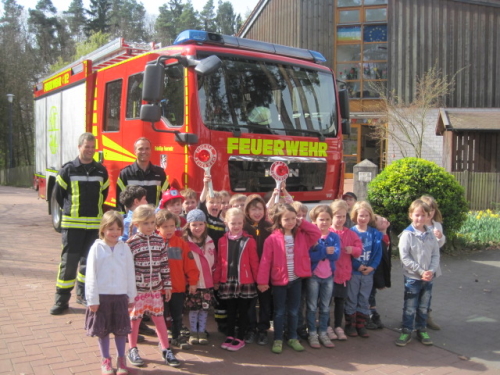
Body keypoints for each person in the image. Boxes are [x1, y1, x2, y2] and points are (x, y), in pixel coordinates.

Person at [50, 132, 110, 315]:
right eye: (87, 147)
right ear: (79, 147)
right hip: (73, 226)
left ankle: (82, 294)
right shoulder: (68, 170)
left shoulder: (101, 170)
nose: (90, 150)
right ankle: (61, 301)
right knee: (69, 263)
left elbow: (104, 196)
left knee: (88, 264)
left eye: (93, 147)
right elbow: (58, 196)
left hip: (93, 227)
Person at [257, 204, 321, 354]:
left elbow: (316, 233)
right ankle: (278, 338)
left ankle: (292, 337)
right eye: (287, 219)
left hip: (296, 280)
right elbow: (265, 261)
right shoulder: (272, 239)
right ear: (279, 220)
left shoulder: (301, 236)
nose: (291, 221)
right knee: (279, 312)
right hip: (279, 282)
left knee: (294, 311)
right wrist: (262, 281)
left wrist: (301, 222)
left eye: (293, 218)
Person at [126, 205, 179, 368]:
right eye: (145, 223)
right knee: (134, 320)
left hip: (155, 288)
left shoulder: (159, 241)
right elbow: (128, 269)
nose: (149, 226)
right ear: (136, 224)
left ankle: (166, 348)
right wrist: (129, 291)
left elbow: (164, 264)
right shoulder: (131, 244)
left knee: (159, 319)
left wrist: (167, 285)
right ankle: (132, 348)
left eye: (151, 223)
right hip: (138, 290)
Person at [84, 211, 136, 375]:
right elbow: (91, 275)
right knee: (103, 331)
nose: (115, 232)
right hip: (102, 298)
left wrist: (131, 295)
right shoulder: (96, 248)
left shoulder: (125, 248)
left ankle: (121, 359)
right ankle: (106, 360)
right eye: (111, 229)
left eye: (118, 229)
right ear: (103, 230)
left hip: (120, 296)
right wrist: (92, 298)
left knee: (121, 331)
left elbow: (130, 273)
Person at [395, 199, 440, 347]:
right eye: (417, 215)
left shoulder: (430, 235)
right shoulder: (407, 235)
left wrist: (431, 271)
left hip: (428, 278)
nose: (420, 218)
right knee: (410, 306)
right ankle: (406, 330)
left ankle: (421, 329)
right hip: (413, 278)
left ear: (428, 216)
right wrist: (421, 271)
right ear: (411, 215)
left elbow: (435, 254)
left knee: (423, 305)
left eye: (423, 215)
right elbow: (405, 257)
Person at [215, 208, 260, 352]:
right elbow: (219, 262)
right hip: (228, 280)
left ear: (243, 223)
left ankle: (240, 337)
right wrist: (216, 280)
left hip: (245, 281)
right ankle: (230, 335)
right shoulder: (222, 240)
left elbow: (254, 261)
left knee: (243, 310)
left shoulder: (249, 241)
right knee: (231, 310)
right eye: (233, 223)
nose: (236, 226)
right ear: (226, 222)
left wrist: (259, 280)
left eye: (239, 223)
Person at [156, 209, 199, 351]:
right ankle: (162, 339)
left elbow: (190, 264)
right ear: (158, 228)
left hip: (178, 288)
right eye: (165, 226)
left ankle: (176, 336)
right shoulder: (155, 243)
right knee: (160, 316)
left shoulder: (181, 243)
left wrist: (193, 282)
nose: (169, 229)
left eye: (172, 226)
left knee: (177, 315)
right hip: (159, 289)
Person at [345, 201, 382, 338]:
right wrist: (357, 265)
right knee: (352, 297)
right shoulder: (350, 232)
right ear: (355, 216)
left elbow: (378, 253)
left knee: (364, 298)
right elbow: (346, 253)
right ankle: (350, 324)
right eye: (361, 215)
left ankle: (361, 324)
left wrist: (372, 267)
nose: (363, 218)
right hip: (354, 272)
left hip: (368, 272)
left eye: (366, 215)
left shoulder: (374, 234)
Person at [306, 205, 340, 349]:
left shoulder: (334, 236)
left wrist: (321, 252)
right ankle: (312, 332)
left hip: (328, 277)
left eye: (327, 219)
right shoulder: (311, 237)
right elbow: (309, 257)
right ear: (314, 220)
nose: (324, 222)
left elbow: (336, 255)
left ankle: (323, 332)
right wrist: (325, 251)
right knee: (312, 306)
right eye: (321, 219)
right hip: (314, 276)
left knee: (325, 307)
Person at [329, 200, 363, 341]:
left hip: (343, 274)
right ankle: (326, 326)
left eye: (343, 216)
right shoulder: (327, 232)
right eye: (338, 216)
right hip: (328, 275)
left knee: (340, 301)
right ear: (332, 216)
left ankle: (338, 325)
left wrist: (353, 250)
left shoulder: (350, 233)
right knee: (325, 302)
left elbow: (359, 249)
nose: (341, 219)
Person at [182, 209, 216, 346]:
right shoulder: (185, 243)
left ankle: (202, 331)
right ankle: (193, 332)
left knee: (204, 309)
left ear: (205, 225)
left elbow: (215, 260)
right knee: (193, 309)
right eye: (194, 224)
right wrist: (190, 281)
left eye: (201, 224)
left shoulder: (210, 241)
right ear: (189, 226)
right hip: (194, 283)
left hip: (207, 282)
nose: (198, 228)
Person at [243, 194, 273, 345]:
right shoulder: (243, 227)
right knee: (249, 303)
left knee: (265, 303)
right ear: (247, 211)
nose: (257, 212)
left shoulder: (269, 227)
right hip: (248, 273)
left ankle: (263, 329)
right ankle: (250, 328)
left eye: (260, 209)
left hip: (265, 272)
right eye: (253, 209)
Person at [199, 175, 227, 332]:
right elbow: (201, 204)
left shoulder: (224, 224)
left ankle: (222, 325)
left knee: (219, 295)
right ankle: (199, 328)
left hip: (218, 263)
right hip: (205, 262)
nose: (215, 205)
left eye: (218, 202)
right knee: (203, 296)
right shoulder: (206, 219)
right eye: (212, 202)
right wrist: (205, 185)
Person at [116, 137, 168, 213]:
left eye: (147, 149)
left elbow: (166, 198)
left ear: (150, 151)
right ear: (135, 151)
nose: (144, 151)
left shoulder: (159, 173)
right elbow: (120, 201)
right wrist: (124, 220)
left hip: (153, 220)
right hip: (133, 220)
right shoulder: (125, 173)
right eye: (140, 149)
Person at [420, 195, 445, 330]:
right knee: (414, 292)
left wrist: (440, 238)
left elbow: (439, 246)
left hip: (431, 267)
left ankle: (426, 317)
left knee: (427, 293)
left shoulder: (437, 226)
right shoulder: (418, 225)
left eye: (432, 210)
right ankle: (410, 316)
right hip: (417, 267)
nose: (430, 213)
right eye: (427, 210)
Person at [366, 215, 392, 330]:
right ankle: (369, 316)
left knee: (372, 294)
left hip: (377, 273)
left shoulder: (386, 237)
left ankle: (373, 315)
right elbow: (379, 262)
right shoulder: (376, 239)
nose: (383, 219)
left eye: (383, 218)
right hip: (373, 272)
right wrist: (381, 281)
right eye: (378, 219)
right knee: (369, 295)